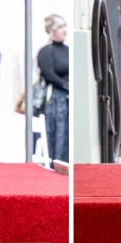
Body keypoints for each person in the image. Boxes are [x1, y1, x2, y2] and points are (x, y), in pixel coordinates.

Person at [38, 14, 70, 163]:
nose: (64, 30)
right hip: (56, 99)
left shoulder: (69, 50)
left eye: (65, 26)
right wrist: (66, 86)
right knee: (59, 135)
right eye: (60, 27)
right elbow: (49, 75)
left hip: (70, 98)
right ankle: (56, 163)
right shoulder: (46, 52)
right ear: (51, 31)